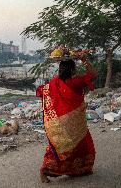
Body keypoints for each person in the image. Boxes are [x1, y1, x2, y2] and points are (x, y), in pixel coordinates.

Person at [36, 54, 97, 183]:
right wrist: (84, 59)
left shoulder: (54, 82)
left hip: (58, 122)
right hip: (74, 122)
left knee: (59, 147)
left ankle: (46, 171)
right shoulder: (74, 82)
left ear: (60, 70)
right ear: (72, 70)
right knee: (81, 144)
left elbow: (41, 91)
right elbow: (93, 74)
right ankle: (81, 167)